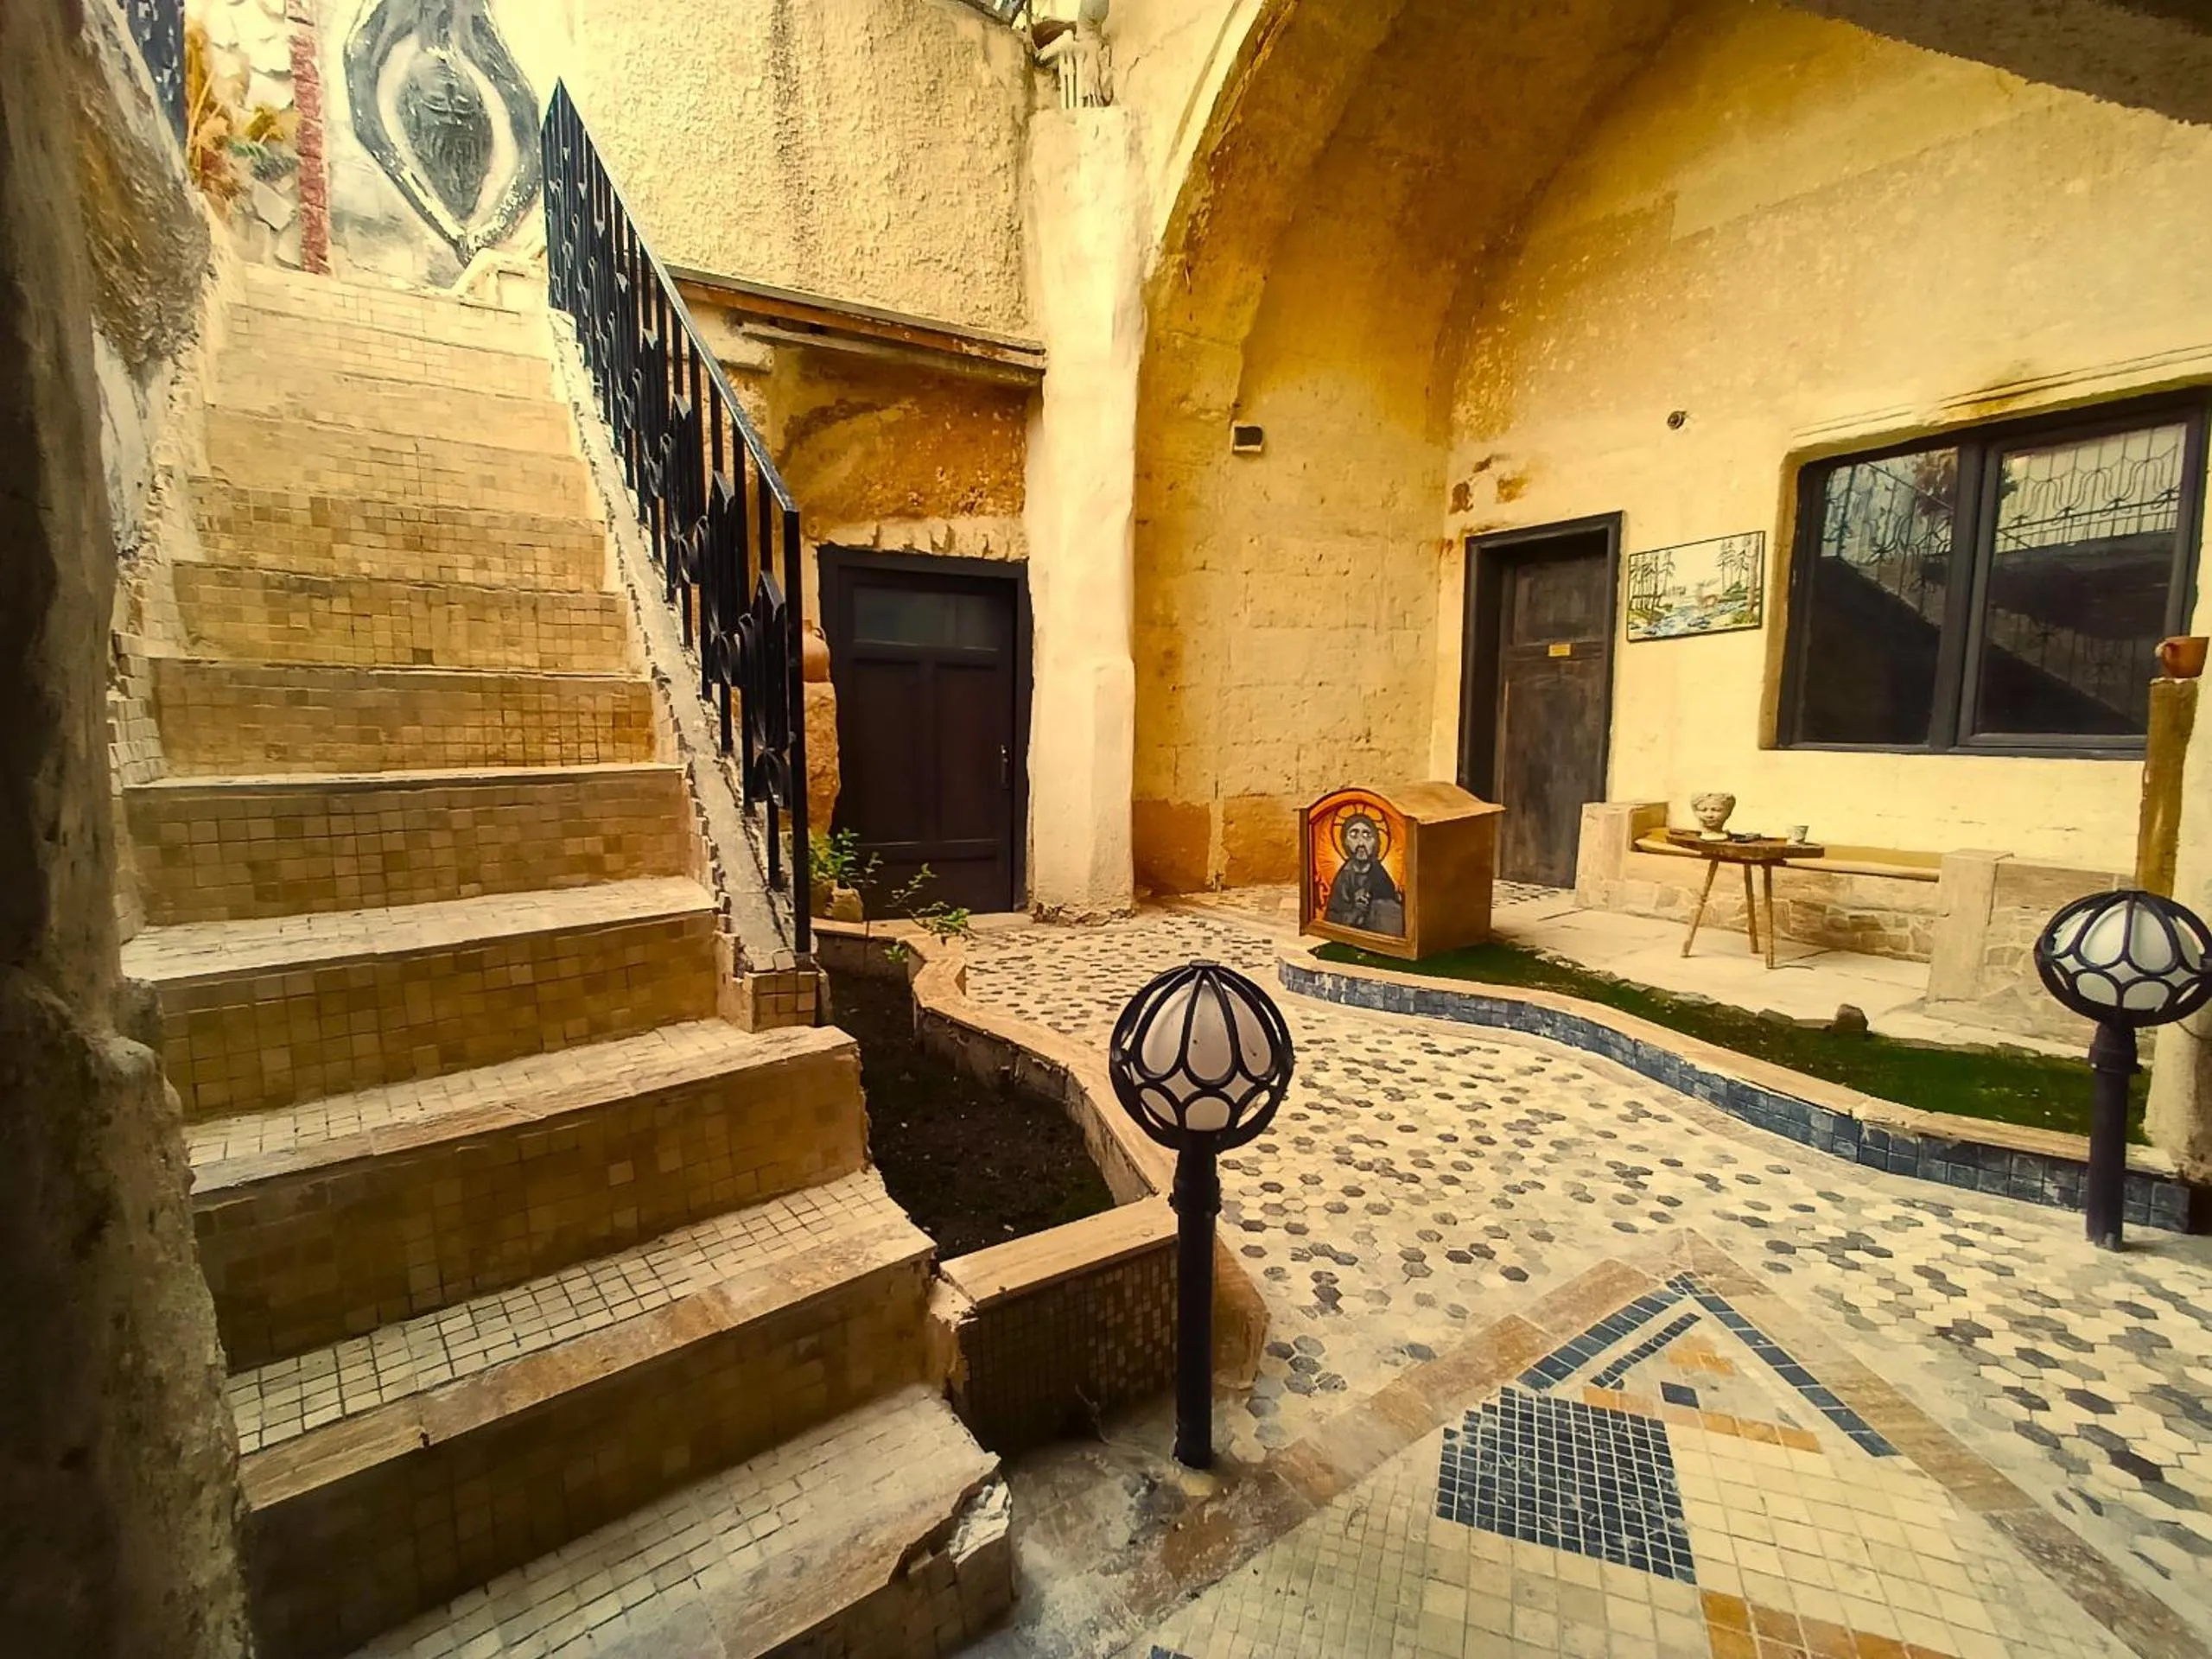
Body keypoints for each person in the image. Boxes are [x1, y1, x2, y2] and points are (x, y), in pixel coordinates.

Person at [1324, 811, 1404, 936]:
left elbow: (1391, 911)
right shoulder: (1343, 878)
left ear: (1375, 842)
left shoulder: (1380, 875)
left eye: (1367, 835)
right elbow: (1332, 919)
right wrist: (1355, 911)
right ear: (1345, 841)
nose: (1361, 843)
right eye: (1354, 835)